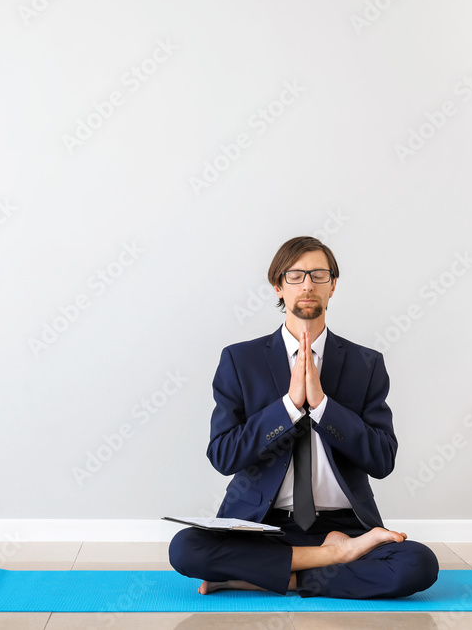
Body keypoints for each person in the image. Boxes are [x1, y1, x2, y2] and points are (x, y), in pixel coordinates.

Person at [168, 236, 439, 598]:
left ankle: (263, 576)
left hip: (345, 525)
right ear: (278, 287)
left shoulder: (367, 364)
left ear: (333, 286)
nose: (308, 284)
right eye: (295, 276)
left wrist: (324, 406)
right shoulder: (239, 360)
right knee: (185, 548)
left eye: (318, 275)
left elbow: (382, 460)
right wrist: (289, 407)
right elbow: (223, 455)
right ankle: (330, 559)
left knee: (418, 564)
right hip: (262, 526)